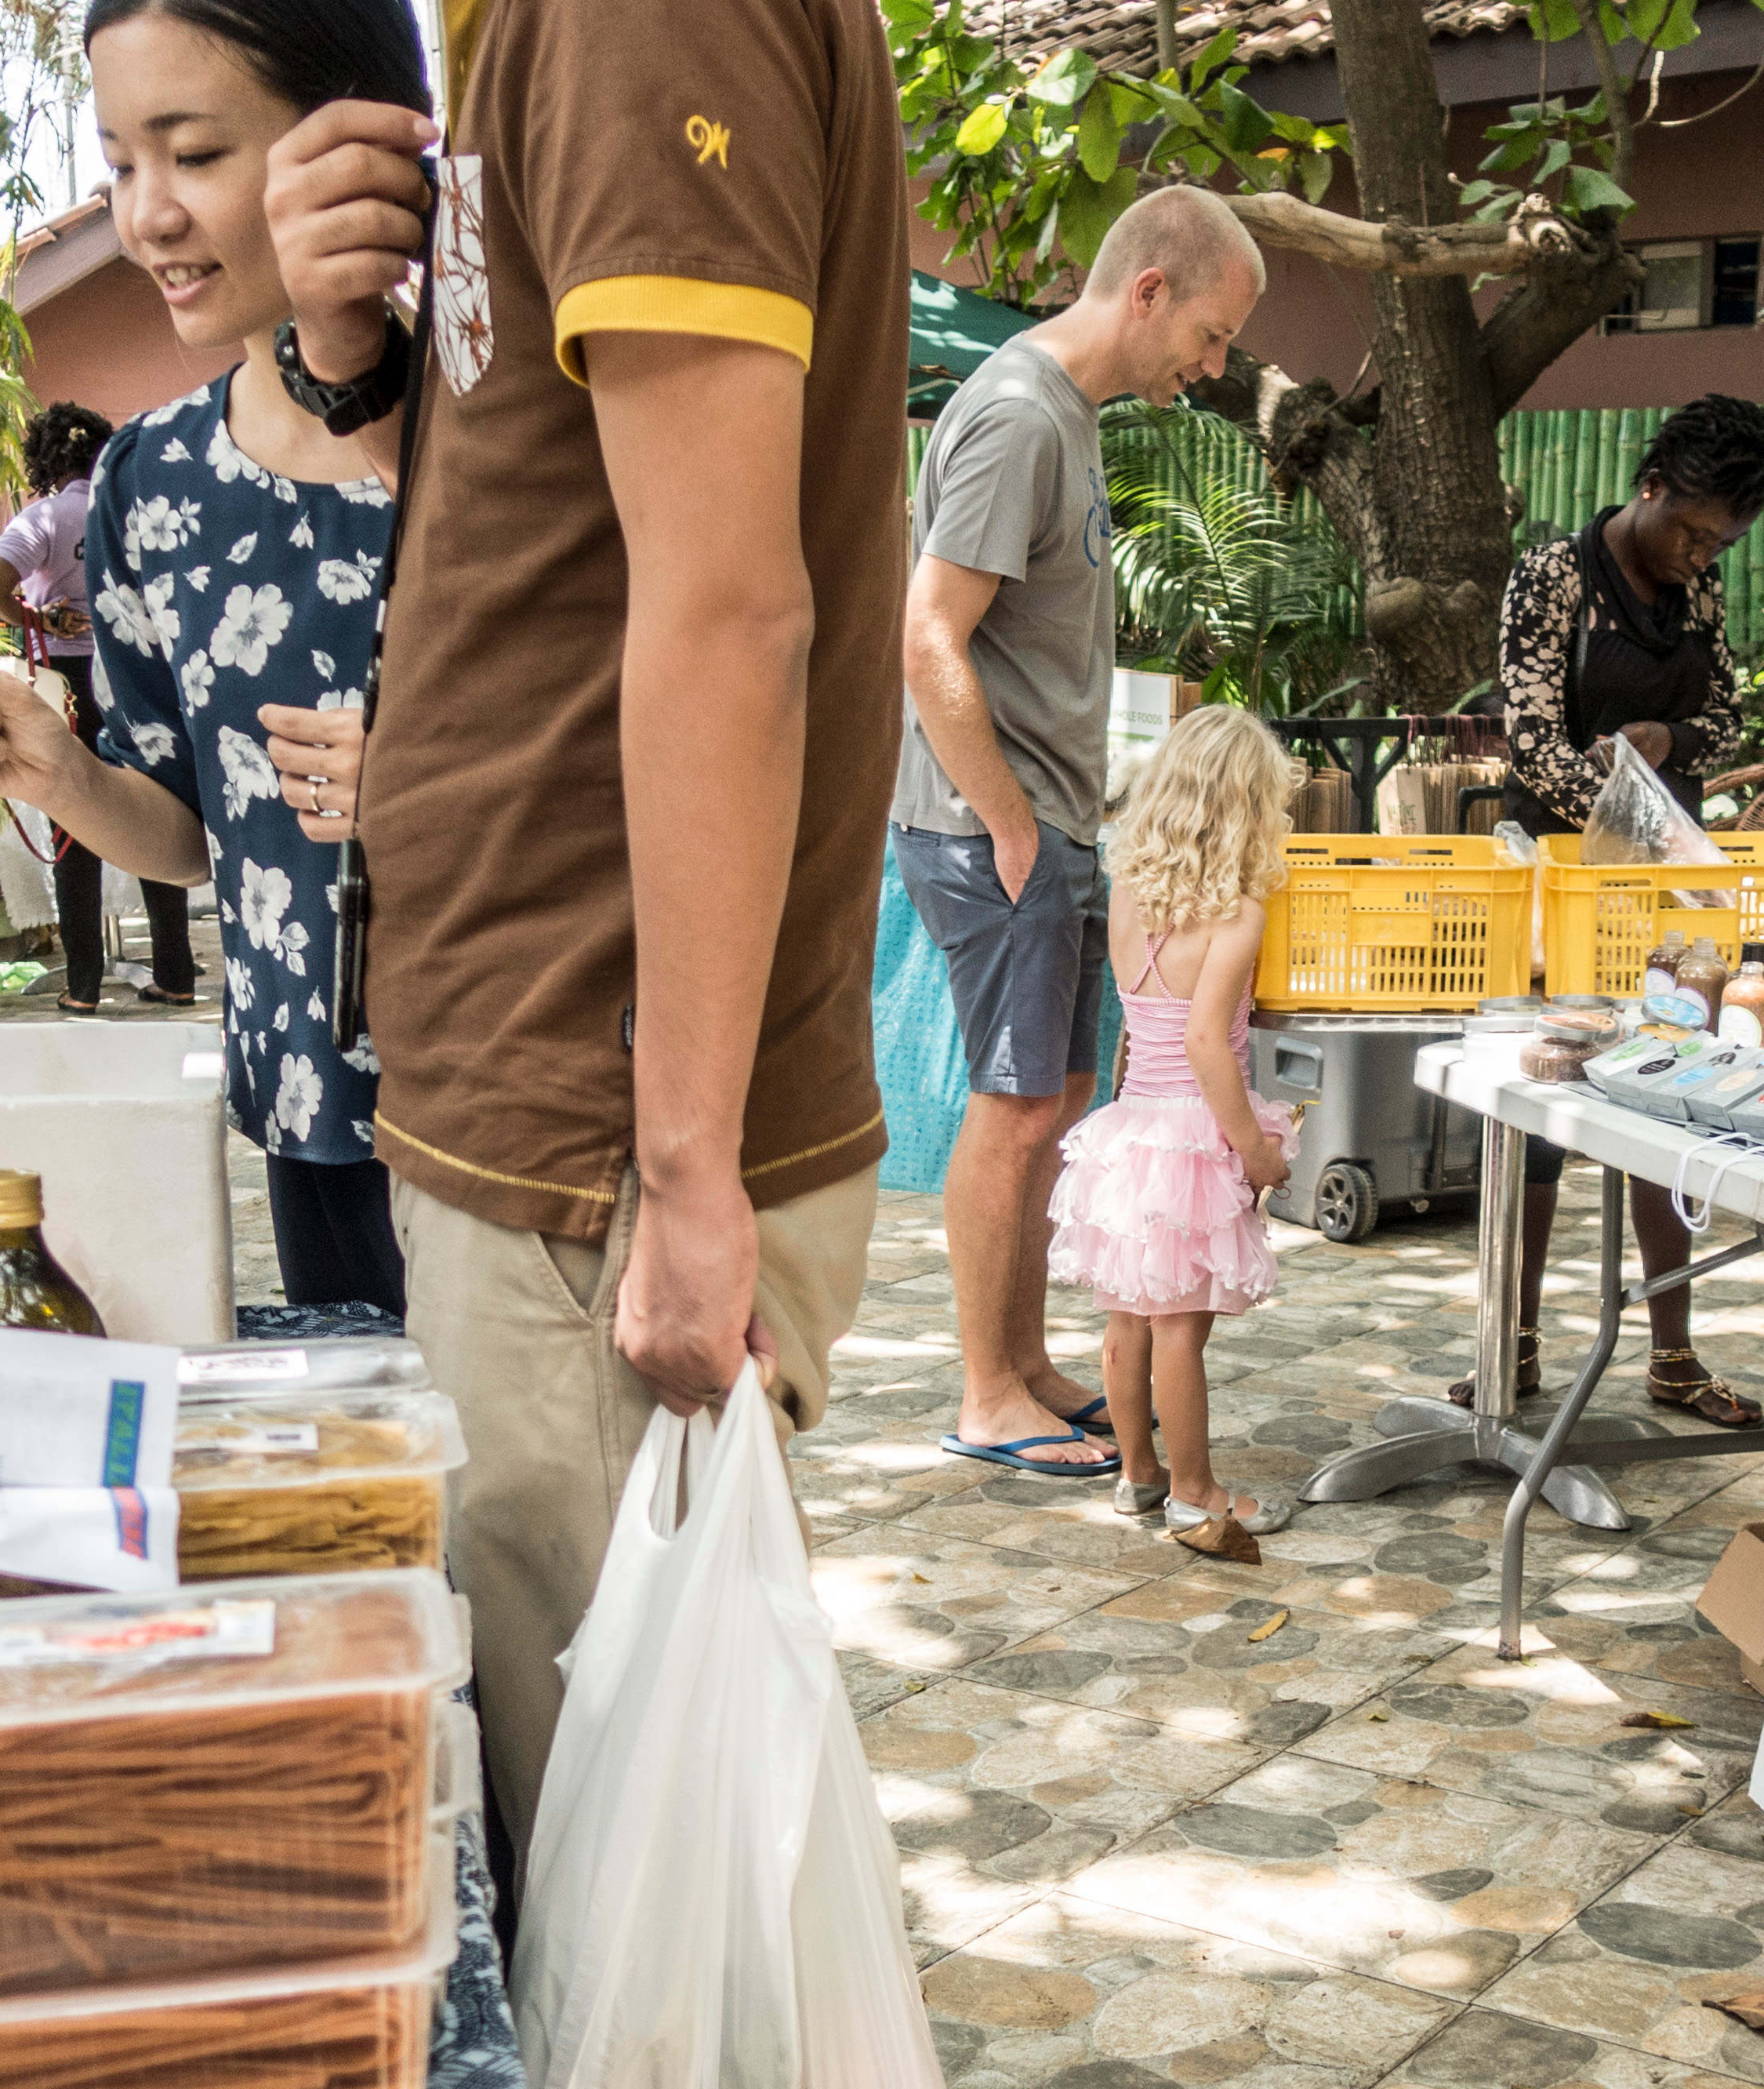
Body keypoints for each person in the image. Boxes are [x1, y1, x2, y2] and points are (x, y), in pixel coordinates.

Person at [252, 0, 908, 1852]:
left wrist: (685, 1169)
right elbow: (562, 535)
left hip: (592, 1139)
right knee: (600, 1878)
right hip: (559, 1110)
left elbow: (725, 613)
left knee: (619, 1884)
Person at [0, 0, 413, 1317]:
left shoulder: (519, 427)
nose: (147, 218)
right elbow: (194, 832)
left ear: (358, 146)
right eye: (122, 164)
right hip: (312, 1109)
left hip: (542, 1107)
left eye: (192, 155)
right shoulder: (152, 476)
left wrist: (443, 780)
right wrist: (59, 770)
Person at [898, 186, 1265, 1480]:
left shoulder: (1065, 416)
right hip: (995, 824)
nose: (1212, 367)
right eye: (1212, 336)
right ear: (1150, 289)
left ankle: (1031, 1361)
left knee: (1051, 1102)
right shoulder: (1014, 415)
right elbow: (929, 633)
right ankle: (988, 1389)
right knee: (1009, 1112)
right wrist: (1004, 820)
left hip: (1048, 822)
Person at [1465, 394, 1764, 1428]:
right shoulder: (1553, 578)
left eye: (1722, 540)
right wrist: (1622, 812)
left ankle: (1674, 1355)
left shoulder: (1701, 591)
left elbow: (1724, 712)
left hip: (1666, 894)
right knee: (1541, 1118)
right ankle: (1510, 1346)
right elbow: (1533, 739)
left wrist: (1669, 742)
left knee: (1669, 1102)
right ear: (1650, 488)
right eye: (1692, 531)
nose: (1702, 554)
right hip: (1558, 881)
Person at [1049, 704, 1300, 1547]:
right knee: (1180, 1332)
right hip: (1192, 1138)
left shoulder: (1128, 893)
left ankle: (1139, 1475)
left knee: (1127, 1319)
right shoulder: (1238, 916)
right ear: (1250, 807)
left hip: (1128, 1133)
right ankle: (1198, 1492)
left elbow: (1144, 1028)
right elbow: (1206, 1044)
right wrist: (1255, 1151)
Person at [0, 402, 199, 1015]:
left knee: (75, 831)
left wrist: (38, 617)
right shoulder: (125, 513)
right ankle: (176, 973)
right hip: (133, 680)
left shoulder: (41, 519)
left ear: (46, 460)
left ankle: (83, 986)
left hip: (67, 687)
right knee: (159, 812)